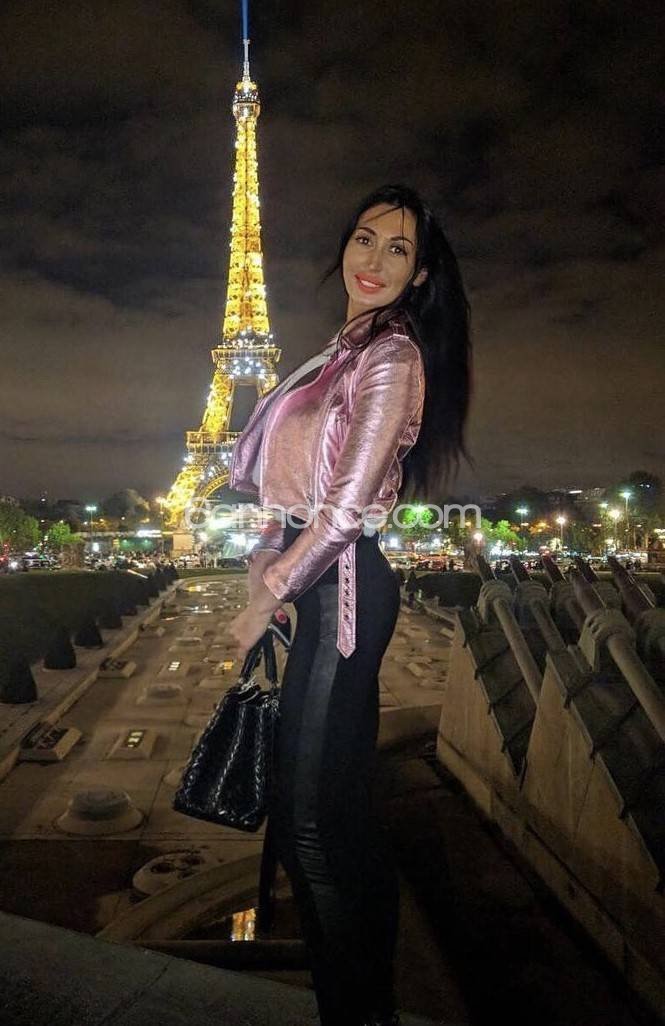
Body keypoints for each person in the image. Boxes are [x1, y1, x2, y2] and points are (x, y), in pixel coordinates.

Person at [226, 184, 472, 1026]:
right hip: (321, 584)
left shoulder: (390, 356)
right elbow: (285, 487)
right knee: (334, 816)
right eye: (364, 238)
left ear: (420, 274)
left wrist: (268, 596)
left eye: (398, 249)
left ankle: (356, 1012)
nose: (373, 260)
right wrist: (263, 557)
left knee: (308, 826)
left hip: (343, 594)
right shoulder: (336, 353)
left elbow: (342, 511)